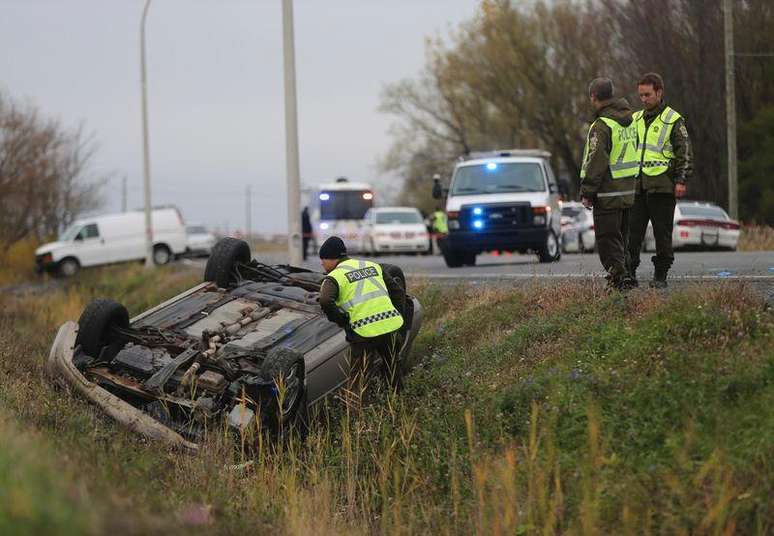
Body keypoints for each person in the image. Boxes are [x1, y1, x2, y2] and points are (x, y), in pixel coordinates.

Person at [627, 73, 693, 288]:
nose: (643, 99)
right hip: (637, 187)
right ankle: (629, 274)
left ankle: (660, 276)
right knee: (631, 234)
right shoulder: (635, 119)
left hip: (662, 187)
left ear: (659, 92)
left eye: (647, 95)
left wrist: (681, 180)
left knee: (662, 234)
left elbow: (685, 152)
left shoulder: (673, 119)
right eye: (640, 95)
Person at [317, 236, 406, 390]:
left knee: (359, 378)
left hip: (363, 332)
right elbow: (398, 292)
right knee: (393, 370)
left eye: (323, 259)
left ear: (332, 259)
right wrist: (397, 316)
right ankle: (398, 404)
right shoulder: (373, 266)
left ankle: (357, 412)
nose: (322, 263)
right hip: (390, 326)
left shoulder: (334, 277)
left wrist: (341, 320)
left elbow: (325, 300)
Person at [579, 77, 640, 290]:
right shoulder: (630, 120)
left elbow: (597, 160)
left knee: (607, 239)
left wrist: (587, 191)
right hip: (627, 190)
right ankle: (627, 274)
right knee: (622, 237)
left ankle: (620, 278)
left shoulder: (602, 126)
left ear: (593, 97)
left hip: (607, 192)